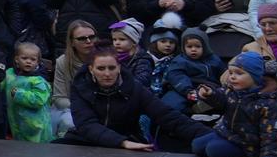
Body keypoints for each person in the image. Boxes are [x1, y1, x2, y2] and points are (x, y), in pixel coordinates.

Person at [63, 46, 208, 151]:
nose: (107, 73)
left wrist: (210, 134)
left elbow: (166, 115)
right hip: (87, 141)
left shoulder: (134, 88)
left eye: (111, 68)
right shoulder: (80, 88)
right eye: (101, 69)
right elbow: (87, 125)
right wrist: (121, 142)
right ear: (91, 69)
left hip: (129, 140)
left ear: (119, 67)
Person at [3, 42, 54, 142]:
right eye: (24, 58)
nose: (28, 62)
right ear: (17, 59)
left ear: (38, 62)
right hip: (17, 124)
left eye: (32, 59)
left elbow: (38, 100)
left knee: (37, 154)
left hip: (36, 127)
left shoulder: (39, 81)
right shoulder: (10, 74)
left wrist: (18, 94)